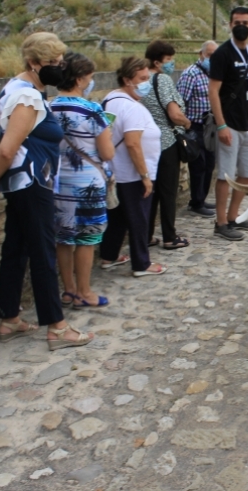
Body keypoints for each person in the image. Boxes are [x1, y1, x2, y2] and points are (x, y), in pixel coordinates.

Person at [0, 32, 94, 351]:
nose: (59, 68)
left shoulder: (16, 89)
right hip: (32, 183)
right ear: (33, 63)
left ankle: (9, 318)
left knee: (15, 247)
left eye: (61, 62)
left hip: (21, 183)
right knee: (43, 251)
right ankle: (57, 327)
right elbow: (7, 149)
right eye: (53, 63)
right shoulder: (28, 97)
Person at [50, 52, 114, 308]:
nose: (91, 82)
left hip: (58, 181)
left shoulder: (49, 107)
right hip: (87, 183)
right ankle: (85, 292)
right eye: (89, 78)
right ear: (78, 79)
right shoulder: (92, 109)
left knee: (64, 238)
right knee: (87, 237)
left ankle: (68, 290)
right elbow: (107, 152)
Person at [99, 57, 167, 277]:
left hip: (115, 171)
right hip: (132, 174)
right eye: (142, 78)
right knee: (139, 218)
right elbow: (133, 143)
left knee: (118, 217)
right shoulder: (131, 107)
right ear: (128, 80)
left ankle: (108, 255)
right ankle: (141, 263)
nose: (146, 82)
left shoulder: (110, 99)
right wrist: (145, 175)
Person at [208, 6, 248, 241]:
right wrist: (221, 125)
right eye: (237, 22)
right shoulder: (222, 54)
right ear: (230, 25)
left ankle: (233, 216)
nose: (241, 25)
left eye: (246, 22)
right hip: (228, 124)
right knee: (225, 176)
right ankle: (221, 223)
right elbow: (213, 91)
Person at [140, 40, 191, 250]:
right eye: (168, 59)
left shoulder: (142, 81)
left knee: (151, 192)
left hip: (146, 144)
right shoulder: (162, 80)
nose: (172, 63)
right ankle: (170, 236)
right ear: (157, 62)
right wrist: (186, 122)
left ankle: (147, 234)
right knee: (168, 192)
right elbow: (174, 113)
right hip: (167, 142)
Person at [176, 40, 217, 218]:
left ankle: (202, 198)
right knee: (198, 165)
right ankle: (195, 202)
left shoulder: (214, 74)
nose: (211, 59)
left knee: (209, 164)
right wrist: (185, 125)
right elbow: (180, 100)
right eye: (209, 55)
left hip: (210, 125)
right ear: (201, 54)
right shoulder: (190, 74)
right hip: (195, 125)